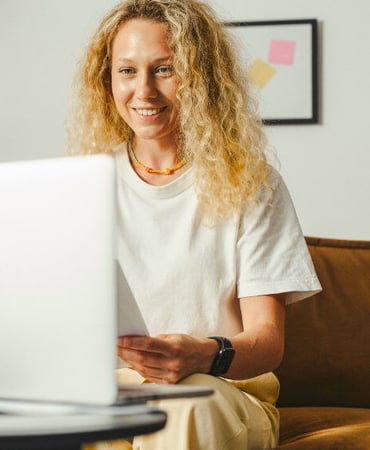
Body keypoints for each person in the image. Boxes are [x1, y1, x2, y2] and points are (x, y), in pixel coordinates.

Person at [67, 0, 321, 448]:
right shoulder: (84, 184)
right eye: (127, 71)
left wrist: (205, 354)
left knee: (182, 403)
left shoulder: (252, 183)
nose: (143, 90)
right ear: (106, 80)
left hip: (220, 395)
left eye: (164, 69)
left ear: (201, 77)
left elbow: (267, 341)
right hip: (112, 396)